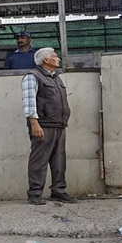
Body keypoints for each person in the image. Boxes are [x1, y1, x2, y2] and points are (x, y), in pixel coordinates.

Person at [21, 47, 76, 205]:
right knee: (39, 160)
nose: (58, 58)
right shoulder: (33, 76)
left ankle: (58, 190)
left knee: (59, 160)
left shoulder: (55, 78)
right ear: (46, 60)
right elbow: (29, 101)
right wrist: (34, 123)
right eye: (55, 56)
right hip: (43, 125)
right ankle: (35, 193)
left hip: (58, 124)